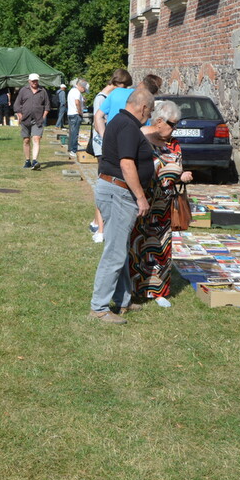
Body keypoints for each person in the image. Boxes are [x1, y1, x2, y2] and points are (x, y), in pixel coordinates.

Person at [89, 88, 155, 325]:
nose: (149, 117)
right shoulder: (127, 126)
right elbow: (127, 164)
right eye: (150, 112)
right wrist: (140, 197)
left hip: (112, 189)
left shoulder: (118, 120)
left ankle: (123, 299)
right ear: (144, 107)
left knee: (119, 247)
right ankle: (99, 307)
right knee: (115, 252)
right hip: (119, 192)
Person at [127, 100, 194, 302]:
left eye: (176, 124)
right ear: (158, 121)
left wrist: (182, 176)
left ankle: (158, 292)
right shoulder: (141, 137)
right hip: (142, 201)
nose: (175, 128)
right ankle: (134, 290)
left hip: (163, 205)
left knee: (161, 249)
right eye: (172, 124)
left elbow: (177, 167)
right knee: (137, 247)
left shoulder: (173, 144)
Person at [88, 69, 132, 242]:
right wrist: (108, 140)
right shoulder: (102, 98)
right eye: (124, 87)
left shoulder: (108, 97)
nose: (125, 91)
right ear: (116, 84)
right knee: (104, 184)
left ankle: (96, 222)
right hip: (103, 146)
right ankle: (99, 227)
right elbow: (98, 120)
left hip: (106, 145)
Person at [14, 73, 50, 170]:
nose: (35, 82)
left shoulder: (43, 91)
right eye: (33, 81)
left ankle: (34, 160)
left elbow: (47, 106)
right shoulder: (23, 90)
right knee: (26, 140)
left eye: (36, 81)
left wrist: (43, 116)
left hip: (38, 120)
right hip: (25, 119)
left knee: (36, 139)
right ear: (29, 81)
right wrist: (20, 115)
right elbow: (17, 105)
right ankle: (27, 160)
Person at [67, 78, 87, 158]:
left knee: (72, 132)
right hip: (75, 114)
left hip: (70, 113)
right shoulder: (76, 92)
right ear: (80, 86)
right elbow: (77, 102)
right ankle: (73, 150)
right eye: (84, 88)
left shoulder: (72, 91)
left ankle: (70, 148)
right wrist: (80, 111)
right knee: (75, 132)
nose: (84, 90)